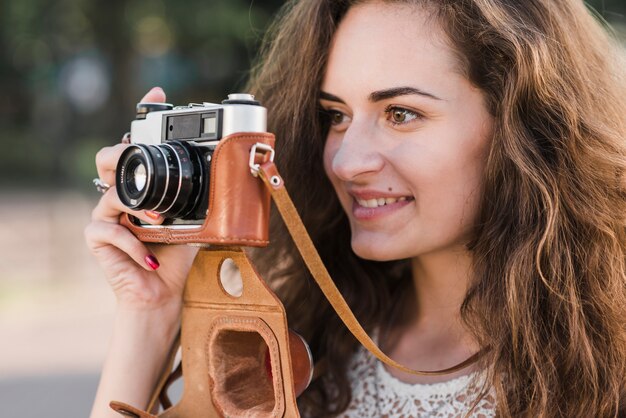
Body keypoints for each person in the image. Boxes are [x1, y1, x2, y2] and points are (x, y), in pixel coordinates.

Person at [86, 0, 626, 416]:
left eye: (401, 113)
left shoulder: (611, 360)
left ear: (524, 125)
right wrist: (149, 314)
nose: (346, 161)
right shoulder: (293, 343)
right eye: (335, 116)